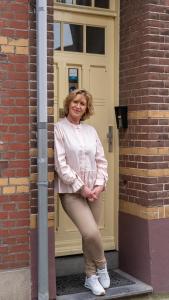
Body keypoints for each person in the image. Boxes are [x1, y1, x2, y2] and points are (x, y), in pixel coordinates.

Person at [54, 88, 110, 296]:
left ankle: (91, 277)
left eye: (82, 104)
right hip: (71, 191)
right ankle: (103, 265)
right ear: (69, 103)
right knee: (91, 232)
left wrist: (99, 184)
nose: (78, 106)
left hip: (94, 190)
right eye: (75, 102)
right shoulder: (59, 129)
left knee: (91, 237)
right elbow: (60, 164)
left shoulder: (91, 131)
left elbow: (101, 160)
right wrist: (81, 188)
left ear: (86, 108)